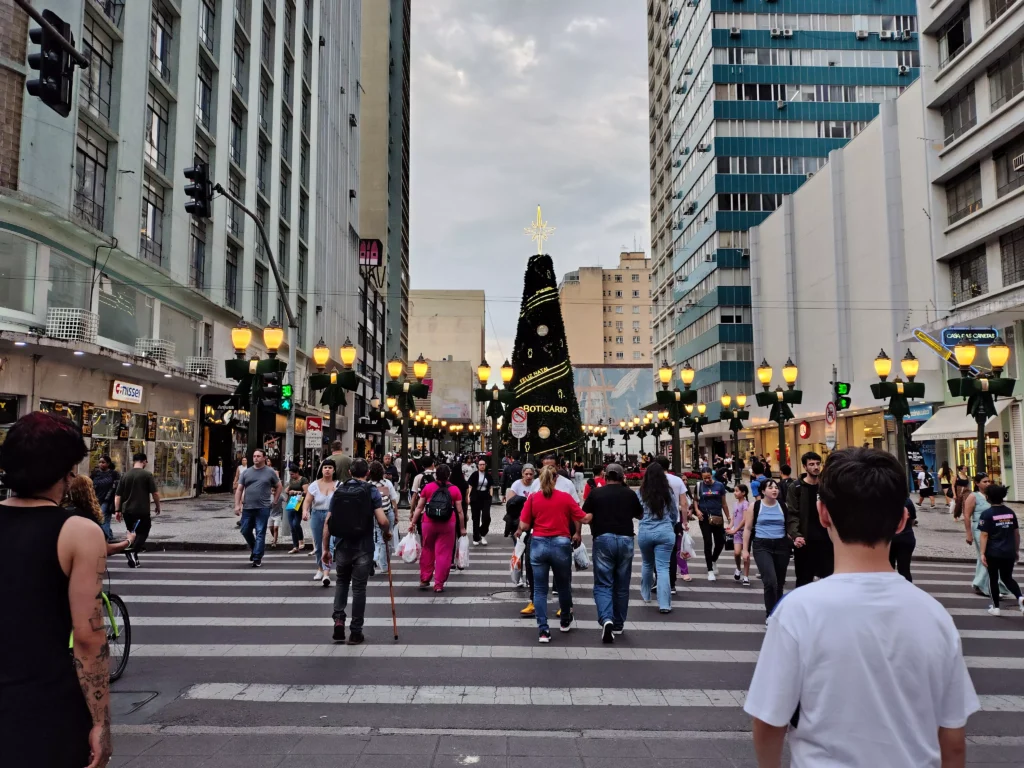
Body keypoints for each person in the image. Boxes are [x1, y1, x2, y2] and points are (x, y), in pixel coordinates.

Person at [744, 448, 979, 768]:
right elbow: (952, 737)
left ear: (823, 513)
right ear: (902, 520)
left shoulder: (798, 610)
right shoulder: (934, 615)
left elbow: (770, 720)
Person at [0, 412, 112, 768]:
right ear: (63, 471)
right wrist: (100, 722)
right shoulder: (79, 532)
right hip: (44, 705)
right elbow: (88, 637)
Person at [321, 458, 390, 644]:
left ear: (350, 473)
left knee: (342, 582)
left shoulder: (338, 491)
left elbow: (328, 522)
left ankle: (338, 619)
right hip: (363, 546)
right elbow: (382, 521)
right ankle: (356, 631)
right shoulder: (371, 491)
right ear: (367, 473)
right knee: (359, 588)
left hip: (342, 545)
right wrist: (388, 532)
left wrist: (325, 549)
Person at [515, 465, 586, 643]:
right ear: (555, 479)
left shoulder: (533, 498)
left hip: (538, 543)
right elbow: (582, 517)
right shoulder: (564, 497)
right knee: (563, 586)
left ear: (540, 478)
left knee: (539, 589)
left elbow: (523, 525)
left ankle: (543, 630)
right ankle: (564, 621)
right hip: (561, 544)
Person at [583, 463, 641, 642]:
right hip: (625, 539)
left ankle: (606, 618)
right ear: (623, 477)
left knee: (603, 583)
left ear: (605, 476)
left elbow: (585, 516)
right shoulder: (630, 494)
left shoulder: (596, 493)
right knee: (622, 584)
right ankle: (618, 623)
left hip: (603, 538)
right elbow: (640, 515)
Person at [742, 478, 797, 618]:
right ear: (762, 491)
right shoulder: (755, 506)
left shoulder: (782, 506)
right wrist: (745, 550)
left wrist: (795, 538)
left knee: (779, 584)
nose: (774, 490)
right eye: (770, 487)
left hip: (781, 546)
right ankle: (770, 615)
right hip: (762, 546)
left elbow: (788, 527)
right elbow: (747, 529)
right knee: (770, 581)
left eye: (776, 487)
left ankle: (777, 613)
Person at [408, 464, 466, 592]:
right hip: (447, 524)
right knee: (444, 553)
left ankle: (425, 578)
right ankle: (438, 584)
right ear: (448, 475)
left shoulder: (428, 487)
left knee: (427, 549)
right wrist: (462, 528)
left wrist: (412, 522)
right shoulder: (455, 489)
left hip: (428, 523)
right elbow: (460, 512)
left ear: (436, 475)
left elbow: (419, 507)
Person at [638, 461, 680, 614]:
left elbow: (637, 512)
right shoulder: (667, 492)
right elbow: (674, 513)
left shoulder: (641, 492)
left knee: (647, 564)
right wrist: (671, 523)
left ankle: (646, 594)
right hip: (665, 531)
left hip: (646, 532)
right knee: (663, 568)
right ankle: (664, 604)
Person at [978, 483, 1023, 616]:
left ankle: (996, 607)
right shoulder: (1010, 513)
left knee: (993, 578)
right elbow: (1016, 534)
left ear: (988, 498)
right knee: (1007, 578)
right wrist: (1016, 550)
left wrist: (982, 553)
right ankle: (1020, 597)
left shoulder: (987, 514)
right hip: (1008, 551)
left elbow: (984, 535)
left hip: (993, 552)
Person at [67, 475, 136, 557]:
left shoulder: (63, 510)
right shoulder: (86, 516)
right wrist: (129, 541)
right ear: (89, 491)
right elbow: (106, 549)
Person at [234, 449, 281, 568]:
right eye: (254, 456)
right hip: (248, 507)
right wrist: (237, 505)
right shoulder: (246, 472)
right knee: (245, 530)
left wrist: (275, 500)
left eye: (258, 456)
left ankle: (257, 557)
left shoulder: (270, 472)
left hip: (263, 507)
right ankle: (255, 548)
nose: (256, 458)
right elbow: (239, 489)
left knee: (260, 531)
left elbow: (279, 486)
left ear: (264, 458)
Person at [790, 451, 831, 587]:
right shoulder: (796, 487)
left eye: (818, 464)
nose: (816, 467)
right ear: (805, 467)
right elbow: (792, 514)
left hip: (826, 539)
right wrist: (796, 535)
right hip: (805, 540)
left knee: (829, 579)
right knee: (803, 580)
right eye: (811, 464)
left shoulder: (826, 486)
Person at [114, 452, 161, 568]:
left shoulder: (125, 475)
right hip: (141, 510)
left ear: (134, 461)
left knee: (132, 533)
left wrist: (117, 510)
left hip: (127, 511)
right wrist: (158, 506)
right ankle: (132, 551)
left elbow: (118, 495)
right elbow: (155, 493)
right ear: (144, 461)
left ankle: (134, 559)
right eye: (146, 462)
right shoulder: (147, 475)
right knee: (143, 532)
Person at [506, 463, 540, 615]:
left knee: (529, 553)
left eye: (531, 474)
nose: (528, 477)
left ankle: (528, 578)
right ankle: (518, 577)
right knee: (520, 551)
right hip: (517, 522)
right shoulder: (516, 485)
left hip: (531, 523)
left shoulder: (536, 485)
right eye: (526, 474)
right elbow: (510, 504)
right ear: (522, 474)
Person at [654, 455, 690, 592]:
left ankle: (658, 580)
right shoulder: (677, 480)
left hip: (656, 520)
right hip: (673, 521)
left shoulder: (653, 481)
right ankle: (672, 583)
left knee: (656, 550)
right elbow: (684, 502)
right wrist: (684, 521)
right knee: (672, 551)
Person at [302, 459, 339, 587]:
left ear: (334, 470)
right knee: (318, 545)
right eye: (325, 467)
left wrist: (338, 492)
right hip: (317, 514)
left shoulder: (339, 485)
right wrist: (305, 511)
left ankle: (326, 574)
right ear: (321, 470)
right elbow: (307, 500)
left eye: (330, 467)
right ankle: (320, 568)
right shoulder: (314, 485)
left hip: (333, 516)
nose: (327, 469)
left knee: (329, 544)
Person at [695, 468, 731, 581]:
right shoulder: (699, 486)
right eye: (704, 477)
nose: (706, 480)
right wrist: (697, 510)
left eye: (708, 477)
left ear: (712, 475)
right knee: (708, 542)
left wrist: (728, 517)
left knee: (720, 541)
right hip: (704, 517)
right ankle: (710, 569)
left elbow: (724, 503)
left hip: (717, 517)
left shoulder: (719, 486)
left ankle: (713, 559)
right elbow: (695, 500)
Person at [368, 460, 400, 575]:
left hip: (375, 514)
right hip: (388, 512)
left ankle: (375, 558)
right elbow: (393, 500)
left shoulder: (369, 485)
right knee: (388, 537)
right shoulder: (387, 483)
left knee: (377, 537)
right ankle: (385, 565)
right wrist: (396, 514)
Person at [90, 455, 119, 542]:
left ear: (108, 463)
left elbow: (118, 487)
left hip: (107, 499)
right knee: (99, 519)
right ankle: (109, 534)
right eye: (99, 462)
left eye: (103, 462)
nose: (101, 464)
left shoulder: (113, 474)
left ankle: (105, 539)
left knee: (103, 518)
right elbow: (89, 484)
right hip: (96, 499)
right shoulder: (95, 473)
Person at [726, 484, 751, 586]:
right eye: (735, 491)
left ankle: (746, 576)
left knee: (745, 555)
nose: (735, 493)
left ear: (743, 493)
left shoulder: (746, 504)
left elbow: (745, 519)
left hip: (744, 532)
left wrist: (735, 529)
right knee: (736, 553)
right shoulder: (735, 504)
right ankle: (738, 568)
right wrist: (730, 526)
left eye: (737, 491)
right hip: (736, 532)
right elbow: (734, 517)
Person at [466, 458, 494, 545]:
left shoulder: (488, 475)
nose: (482, 466)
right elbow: (470, 487)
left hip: (485, 497)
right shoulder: (474, 475)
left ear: (485, 465)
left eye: (483, 464)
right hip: (475, 496)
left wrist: (491, 496)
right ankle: (476, 537)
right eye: (480, 464)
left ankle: (482, 533)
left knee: (486, 517)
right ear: (478, 466)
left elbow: (491, 486)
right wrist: (468, 497)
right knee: (476, 518)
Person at [890, 497, 917, 582]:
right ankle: (906, 592)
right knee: (904, 569)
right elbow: (913, 519)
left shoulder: (882, 499)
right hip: (906, 538)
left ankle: (889, 591)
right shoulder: (907, 500)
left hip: (888, 540)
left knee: (888, 569)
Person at [284, 465, 309, 554]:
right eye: (290, 474)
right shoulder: (292, 480)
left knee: (296, 524)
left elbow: (306, 492)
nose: (291, 476)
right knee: (292, 525)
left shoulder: (303, 479)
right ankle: (295, 546)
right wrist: (288, 491)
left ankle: (301, 539)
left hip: (299, 501)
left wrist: (295, 492)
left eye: (293, 474)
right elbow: (288, 488)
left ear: (297, 472)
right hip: (292, 501)